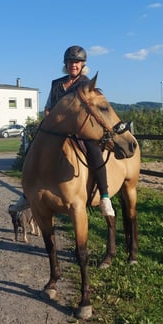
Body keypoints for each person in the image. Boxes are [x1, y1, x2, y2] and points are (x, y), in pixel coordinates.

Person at [43, 45, 115, 217]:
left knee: (94, 152)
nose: (73, 65)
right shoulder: (56, 84)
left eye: (77, 62)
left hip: (80, 131)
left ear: (83, 65)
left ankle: (105, 197)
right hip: (57, 131)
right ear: (65, 64)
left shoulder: (87, 84)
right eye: (70, 62)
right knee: (35, 149)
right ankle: (27, 193)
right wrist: (49, 120)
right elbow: (48, 107)